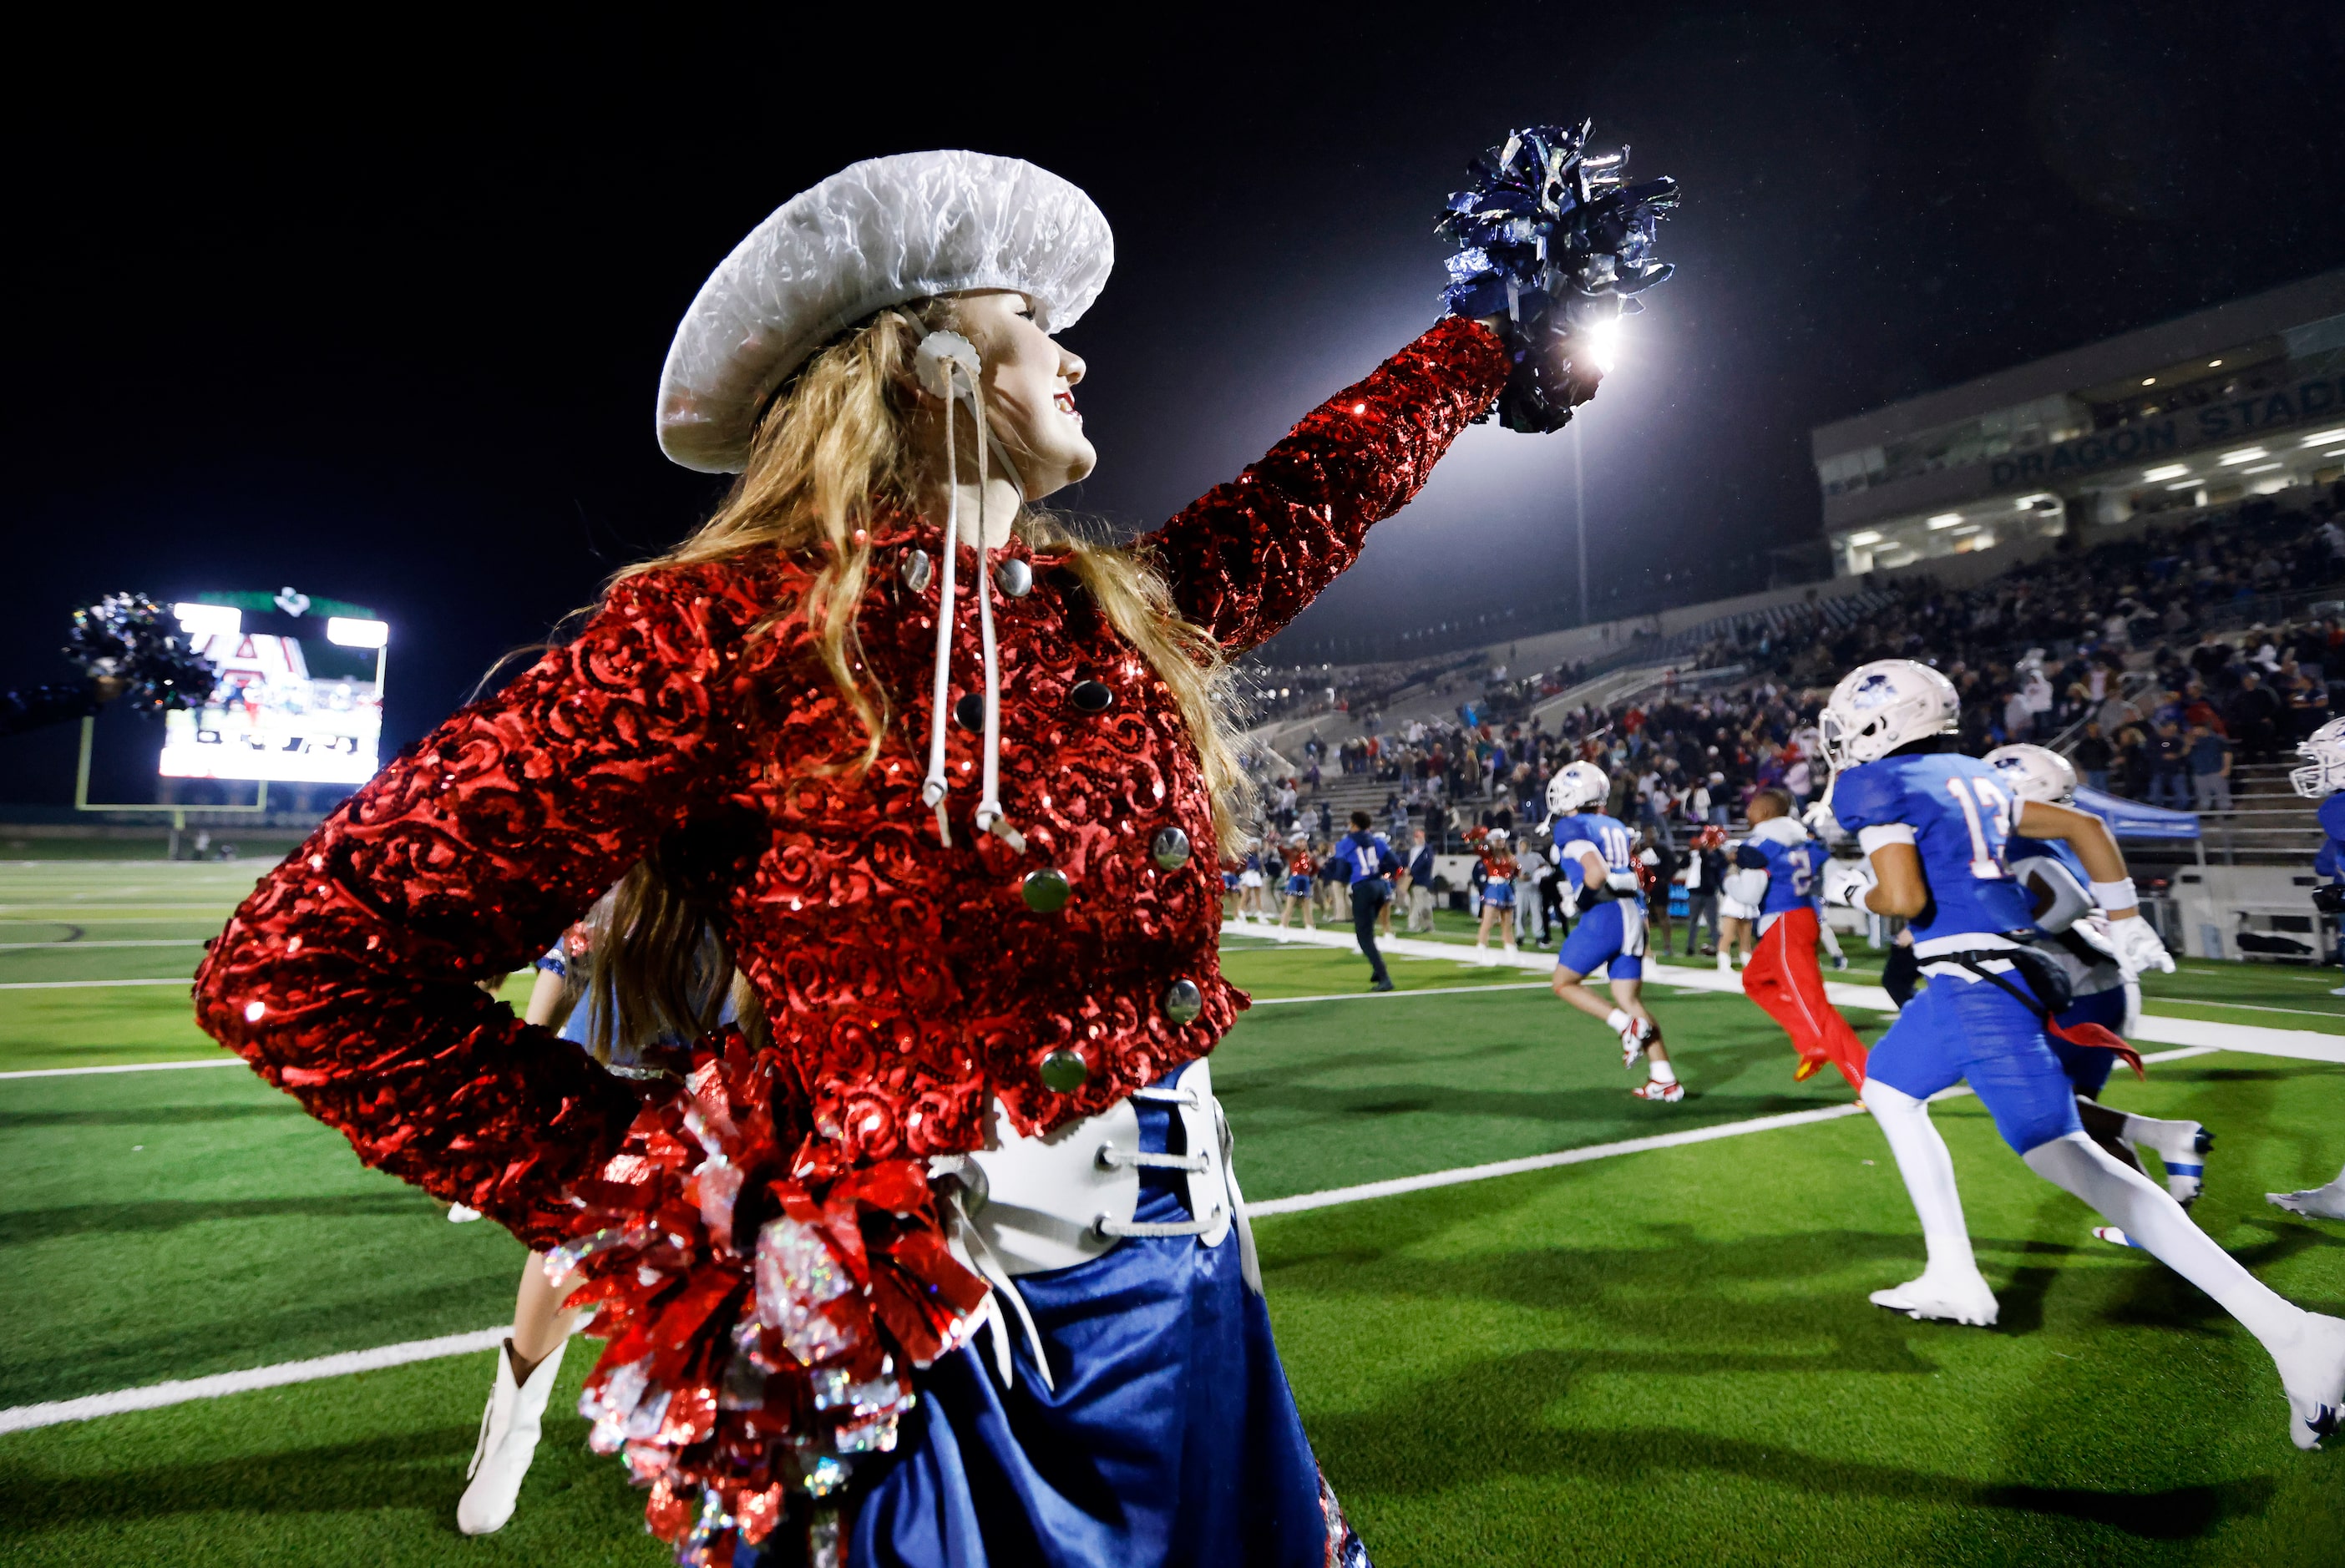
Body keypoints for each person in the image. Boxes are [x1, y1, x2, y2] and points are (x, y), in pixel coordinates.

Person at [189, 144, 1607, 1564]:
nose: (1076, 360)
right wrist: (673, 1199)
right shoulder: (719, 631)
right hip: (935, 1347)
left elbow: (1305, 496)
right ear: (924, 361)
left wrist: (1477, 343)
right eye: (1030, 324)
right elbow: (306, 961)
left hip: (1191, 1301)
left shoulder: (1090, 611)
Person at [1820, 660, 2344, 1449]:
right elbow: (2085, 829)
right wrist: (2127, 918)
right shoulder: (1974, 773)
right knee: (1891, 1088)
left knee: (2066, 1157)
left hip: (1972, 980)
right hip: (1999, 967)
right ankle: (1953, 1271)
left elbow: (1904, 900)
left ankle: (2297, 1334)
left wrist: (1848, 890)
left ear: (1874, 725)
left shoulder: (1872, 787)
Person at [1986, 743, 2211, 1220]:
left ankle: (2164, 1136)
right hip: (2095, 985)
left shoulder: (2022, 845)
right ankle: (2151, 1220)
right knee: (2078, 1116)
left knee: (2046, 1110)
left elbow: (2065, 902)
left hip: (2077, 990)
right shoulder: (2047, 838)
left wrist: (2011, 936)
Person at [1546, 761, 1683, 1102]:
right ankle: (1664, 1078)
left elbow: (1595, 872)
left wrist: (1579, 900)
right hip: (1633, 914)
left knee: (1563, 983)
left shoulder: (1571, 825)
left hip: (1606, 914)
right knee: (1630, 999)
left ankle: (1625, 1026)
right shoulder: (1616, 824)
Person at [1725, 788, 1865, 1092]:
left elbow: (1748, 894)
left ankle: (1868, 1082)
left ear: (1763, 813)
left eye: (1751, 807)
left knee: (1816, 1009)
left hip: (1784, 923)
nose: (1747, 812)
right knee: (1755, 980)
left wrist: (1729, 878)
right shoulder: (1804, 839)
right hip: (1801, 918)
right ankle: (1809, 1040)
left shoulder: (1760, 845)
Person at [1330, 808, 1402, 991]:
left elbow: (1342, 873)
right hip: (1380, 886)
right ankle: (1377, 970)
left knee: (1364, 938)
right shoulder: (1377, 842)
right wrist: (1382, 872)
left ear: (1353, 825)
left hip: (1363, 888)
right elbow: (1395, 863)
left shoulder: (1346, 844)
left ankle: (1384, 977)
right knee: (1368, 932)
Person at [1466, 824, 1519, 957]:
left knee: (1507, 923)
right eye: (1497, 840)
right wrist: (1478, 838)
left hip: (1507, 888)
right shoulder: (1488, 853)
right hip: (1494, 887)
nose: (1500, 842)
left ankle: (1511, 951)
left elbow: (1516, 871)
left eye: (1502, 839)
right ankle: (1481, 948)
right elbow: (1477, 847)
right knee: (1488, 921)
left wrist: (1515, 871)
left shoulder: (1509, 856)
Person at [1682, 823, 1725, 957]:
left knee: (1712, 921)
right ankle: (1690, 948)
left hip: (1710, 892)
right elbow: (1683, 864)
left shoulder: (1717, 855)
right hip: (1696, 892)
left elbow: (1719, 867)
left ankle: (1719, 948)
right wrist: (1694, 850)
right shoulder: (1697, 854)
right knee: (1693, 921)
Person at [2186, 721, 2233, 816]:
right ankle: (2206, 811)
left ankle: (2226, 810)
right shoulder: (2191, 741)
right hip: (2199, 772)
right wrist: (2188, 743)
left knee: (2222, 793)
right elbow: (2168, 745)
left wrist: (2227, 768)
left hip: (2216, 770)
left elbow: (2227, 753)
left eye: (2198, 728)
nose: (2196, 731)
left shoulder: (2217, 739)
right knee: (2203, 794)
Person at [1277, 832, 1316, 929]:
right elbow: (1281, 850)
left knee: (1306, 904)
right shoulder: (1292, 852)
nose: (1303, 843)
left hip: (1305, 880)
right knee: (1290, 904)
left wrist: (1310, 876)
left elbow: (1315, 867)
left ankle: (1309, 925)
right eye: (1300, 841)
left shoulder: (1307, 855)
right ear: (1295, 843)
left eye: (1304, 841)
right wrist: (1277, 842)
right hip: (1295, 879)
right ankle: (1283, 924)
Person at [1403, 827, 1438, 933]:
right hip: (1413, 880)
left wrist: (1411, 870)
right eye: (1417, 837)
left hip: (1422, 880)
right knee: (1416, 904)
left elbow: (1426, 864)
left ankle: (1425, 925)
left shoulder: (1427, 850)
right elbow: (1410, 863)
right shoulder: (1413, 850)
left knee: (1422, 904)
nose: (1419, 839)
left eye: (1421, 837)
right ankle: (1415, 924)